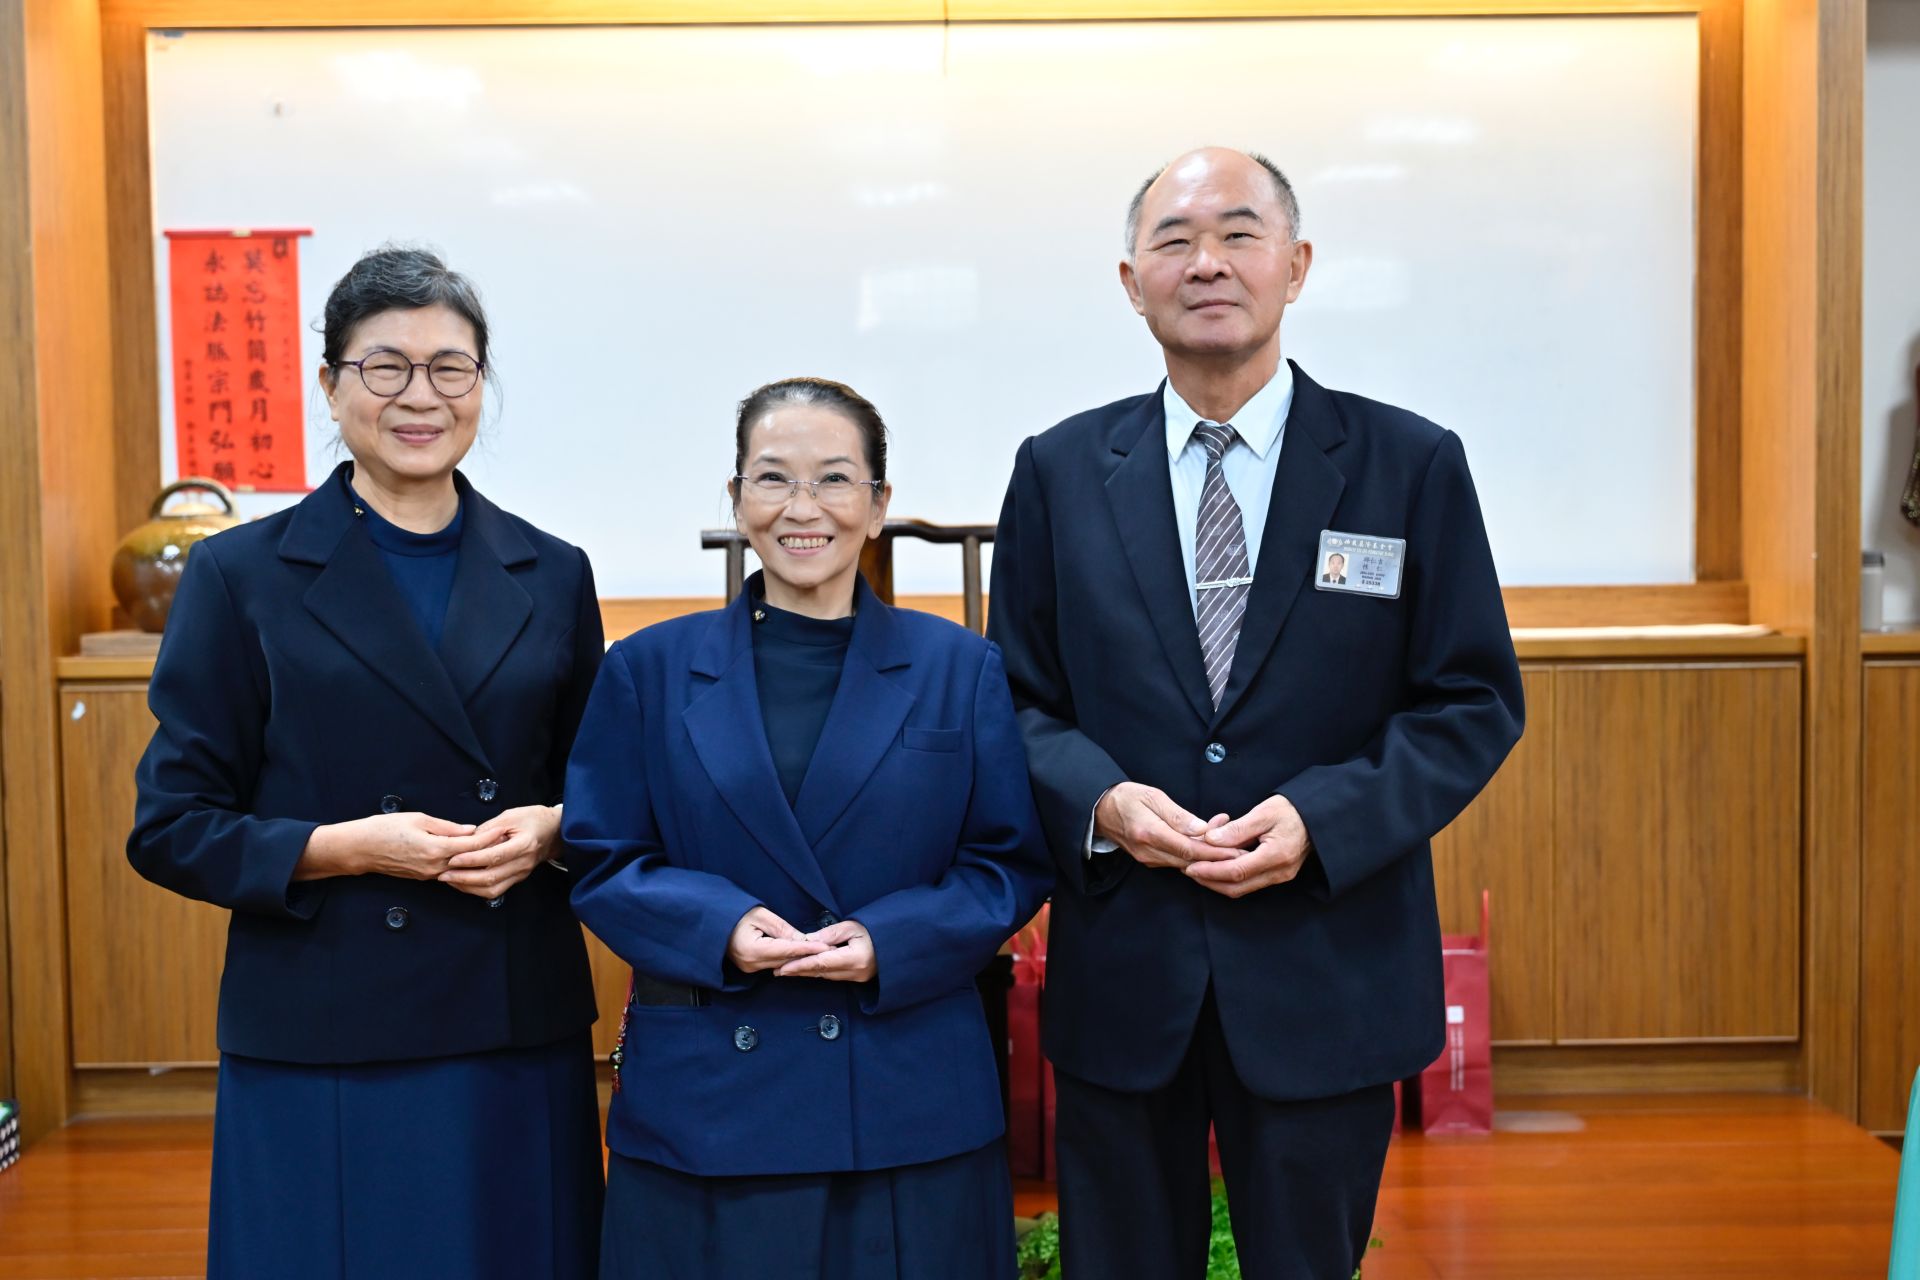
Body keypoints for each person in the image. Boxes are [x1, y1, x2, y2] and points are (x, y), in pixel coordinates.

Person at [988, 147, 1524, 1279]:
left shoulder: (1407, 464)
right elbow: (1016, 699)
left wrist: (1323, 819)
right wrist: (1104, 801)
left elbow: (1472, 699)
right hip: (1129, 969)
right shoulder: (1059, 470)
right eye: (1174, 240)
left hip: (1325, 969)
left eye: (1240, 233)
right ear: (1132, 281)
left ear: (1298, 265)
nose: (1208, 263)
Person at [128, 247, 606, 1279]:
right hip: (325, 1019)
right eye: (385, 366)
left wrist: (554, 828)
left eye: (452, 367)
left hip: (509, 1015)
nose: (420, 395)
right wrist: (346, 848)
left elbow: (605, 790)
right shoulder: (241, 574)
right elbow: (172, 824)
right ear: (330, 384)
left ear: (483, 383)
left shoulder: (553, 571)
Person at [564, 377, 1051, 1280]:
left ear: (878, 504)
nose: (802, 508)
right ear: (737, 497)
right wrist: (718, 927)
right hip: (714, 1093)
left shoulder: (959, 665)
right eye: (772, 478)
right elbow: (603, 859)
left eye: (833, 479)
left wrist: (886, 939)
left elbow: (1006, 864)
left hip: (905, 1088)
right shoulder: (648, 668)